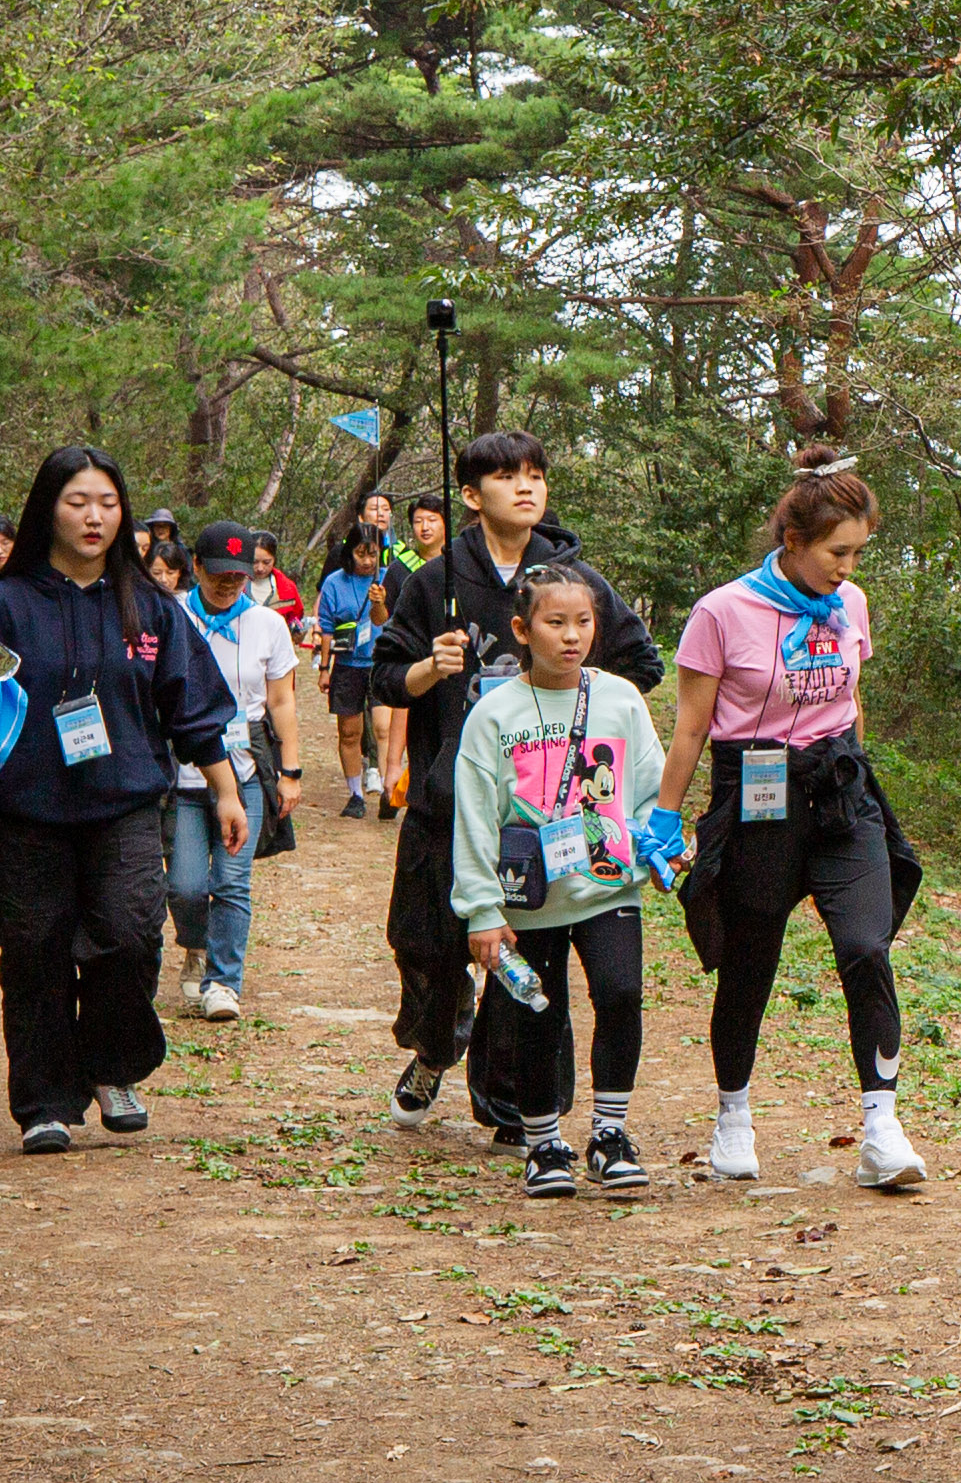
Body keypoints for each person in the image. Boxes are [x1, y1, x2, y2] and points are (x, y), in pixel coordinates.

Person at [0, 447, 246, 1155]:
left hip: (125, 803)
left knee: (131, 934)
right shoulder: (1, 602)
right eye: (77, 501)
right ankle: (45, 1101)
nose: (94, 515)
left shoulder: (152, 606)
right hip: (26, 808)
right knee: (33, 948)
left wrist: (226, 790)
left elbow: (192, 707)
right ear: (49, 508)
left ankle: (112, 1068)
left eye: (107, 501)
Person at [649, 446, 926, 1193]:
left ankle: (881, 1125)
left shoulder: (852, 605)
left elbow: (850, 703)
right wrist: (665, 818)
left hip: (839, 790)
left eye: (859, 551)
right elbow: (690, 727)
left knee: (868, 946)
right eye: (839, 551)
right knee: (749, 962)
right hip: (757, 795)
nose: (848, 566)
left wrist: (859, 778)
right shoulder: (722, 611)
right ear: (794, 540)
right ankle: (732, 1114)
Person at [378, 436, 661, 1127]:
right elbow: (385, 676)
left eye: (536, 474)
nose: (526, 487)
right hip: (448, 803)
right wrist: (431, 668)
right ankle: (433, 1050)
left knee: (525, 962)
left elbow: (641, 665)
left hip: (546, 815)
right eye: (508, 477)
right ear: (472, 496)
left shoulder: (573, 579)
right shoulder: (433, 580)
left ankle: (514, 1104)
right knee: (433, 950)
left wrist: (573, 697)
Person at [450, 563, 670, 1195]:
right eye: (555, 623)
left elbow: (652, 789)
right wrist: (482, 910)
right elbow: (474, 818)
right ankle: (543, 1144)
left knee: (622, 995)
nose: (571, 636)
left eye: (583, 622)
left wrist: (660, 848)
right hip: (529, 897)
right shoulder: (494, 713)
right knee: (539, 1019)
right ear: (522, 629)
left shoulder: (621, 699)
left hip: (608, 885)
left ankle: (609, 1133)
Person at [168, 521, 305, 1021]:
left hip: (245, 769)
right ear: (196, 568)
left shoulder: (267, 624)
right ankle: (195, 943)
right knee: (183, 885)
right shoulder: (173, 616)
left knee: (231, 881)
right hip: (184, 774)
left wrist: (290, 769)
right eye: (219, 574)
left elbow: (282, 699)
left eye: (239, 576)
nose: (230, 585)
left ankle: (222, 982)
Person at [372, 494, 450, 821]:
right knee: (399, 716)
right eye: (418, 521)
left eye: (432, 520)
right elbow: (381, 619)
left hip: (452, 660)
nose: (424, 527)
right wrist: (377, 601)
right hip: (413, 659)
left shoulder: (460, 563)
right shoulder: (400, 566)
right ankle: (394, 778)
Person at [317, 533, 388, 815]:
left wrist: (379, 602)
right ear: (350, 553)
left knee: (383, 729)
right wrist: (324, 669)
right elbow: (326, 627)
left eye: (373, 554)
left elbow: (383, 620)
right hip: (347, 665)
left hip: (379, 662)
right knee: (350, 732)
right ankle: (355, 793)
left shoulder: (385, 579)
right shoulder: (335, 582)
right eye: (362, 554)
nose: (368, 561)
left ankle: (386, 788)